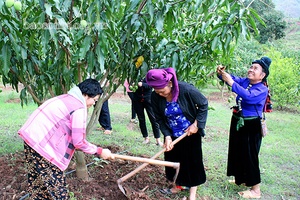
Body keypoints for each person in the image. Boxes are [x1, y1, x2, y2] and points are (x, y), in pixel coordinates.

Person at [18, 78, 114, 199]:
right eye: (94, 100)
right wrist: (100, 151)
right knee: (58, 192)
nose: (93, 104)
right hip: (43, 148)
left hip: (31, 140)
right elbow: (78, 142)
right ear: (86, 95)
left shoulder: (66, 98)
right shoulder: (79, 108)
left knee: (39, 186)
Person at [146, 68, 208, 200]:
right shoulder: (155, 96)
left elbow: (203, 104)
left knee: (192, 163)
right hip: (172, 133)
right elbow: (159, 118)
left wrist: (196, 125)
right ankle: (176, 187)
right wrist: (167, 136)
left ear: (170, 83)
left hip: (190, 133)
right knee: (173, 161)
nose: (160, 94)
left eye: (162, 91)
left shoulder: (186, 90)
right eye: (157, 92)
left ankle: (192, 194)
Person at [216, 56, 272, 199]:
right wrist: (221, 74)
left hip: (251, 125)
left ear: (263, 75)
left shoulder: (262, 89)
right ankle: (240, 178)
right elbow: (233, 79)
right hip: (238, 120)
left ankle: (256, 190)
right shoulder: (246, 81)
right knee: (237, 151)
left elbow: (247, 96)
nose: (251, 70)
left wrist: (230, 82)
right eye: (251, 67)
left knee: (250, 155)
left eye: (255, 69)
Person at [132, 77, 163, 146]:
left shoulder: (150, 75)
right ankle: (146, 138)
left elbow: (152, 85)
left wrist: (143, 84)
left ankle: (158, 139)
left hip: (148, 99)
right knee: (141, 119)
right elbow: (131, 84)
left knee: (153, 119)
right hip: (137, 99)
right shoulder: (135, 73)